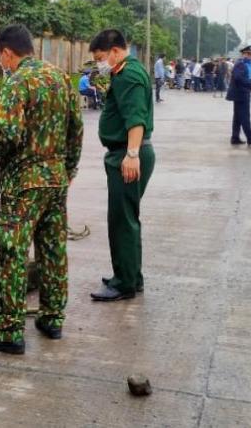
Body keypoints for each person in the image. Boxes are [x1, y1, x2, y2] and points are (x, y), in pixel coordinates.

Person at [0, 24, 83, 354]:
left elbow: (8, 134)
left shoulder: (16, 82)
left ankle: (8, 332)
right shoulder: (61, 77)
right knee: (52, 250)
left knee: (14, 253)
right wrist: (68, 169)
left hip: (23, 185)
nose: (1, 62)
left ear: (8, 52)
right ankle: (52, 319)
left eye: (0, 56)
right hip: (55, 180)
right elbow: (75, 129)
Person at [87, 29, 155, 302]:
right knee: (127, 218)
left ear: (116, 51)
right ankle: (130, 276)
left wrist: (132, 154)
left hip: (127, 155)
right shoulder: (130, 70)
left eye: (102, 57)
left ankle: (124, 283)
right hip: (126, 153)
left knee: (122, 221)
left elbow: (136, 118)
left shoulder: (128, 75)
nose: (100, 63)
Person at [226, 45, 251, 146]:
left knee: (238, 117)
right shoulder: (240, 64)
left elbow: (244, 78)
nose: (249, 56)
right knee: (245, 117)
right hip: (241, 93)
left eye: (250, 54)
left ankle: (235, 138)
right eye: (247, 54)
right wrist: (250, 84)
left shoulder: (246, 64)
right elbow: (239, 78)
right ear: (243, 54)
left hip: (241, 92)